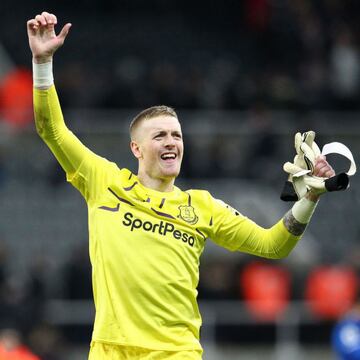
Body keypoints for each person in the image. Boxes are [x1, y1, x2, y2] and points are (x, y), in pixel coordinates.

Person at [27, 11, 336, 360]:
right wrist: (42, 62)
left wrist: (309, 198)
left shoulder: (202, 206)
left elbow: (272, 246)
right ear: (136, 148)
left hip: (177, 353)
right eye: (159, 135)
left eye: (177, 134)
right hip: (111, 352)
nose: (171, 141)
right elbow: (51, 129)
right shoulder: (105, 181)